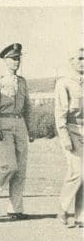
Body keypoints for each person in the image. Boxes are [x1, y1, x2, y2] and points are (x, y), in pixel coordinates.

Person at [0, 43, 33, 220]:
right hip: (3, 124)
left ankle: (15, 209)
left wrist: (31, 128)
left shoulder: (22, 81)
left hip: (19, 123)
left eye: (18, 58)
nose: (16, 62)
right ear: (5, 61)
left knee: (20, 169)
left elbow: (27, 107)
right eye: (13, 59)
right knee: (9, 165)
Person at [53, 47, 84, 228]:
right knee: (78, 172)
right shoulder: (64, 82)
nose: (82, 62)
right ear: (71, 61)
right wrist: (64, 136)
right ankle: (63, 207)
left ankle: (80, 216)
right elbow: (60, 114)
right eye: (79, 58)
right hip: (71, 130)